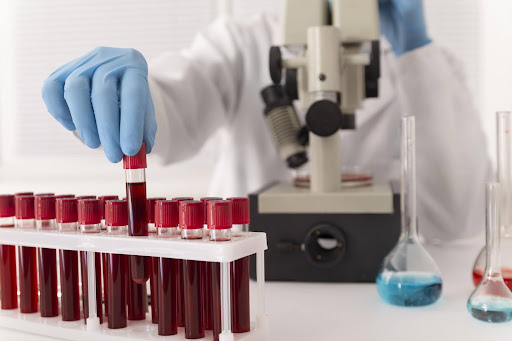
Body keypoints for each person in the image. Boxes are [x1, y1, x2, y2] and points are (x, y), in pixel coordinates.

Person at [41, 0, 491, 243]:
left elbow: (457, 221)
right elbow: (174, 104)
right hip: (251, 286)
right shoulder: (243, 42)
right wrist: (132, 96)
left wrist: (415, 49)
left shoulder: (429, 65)